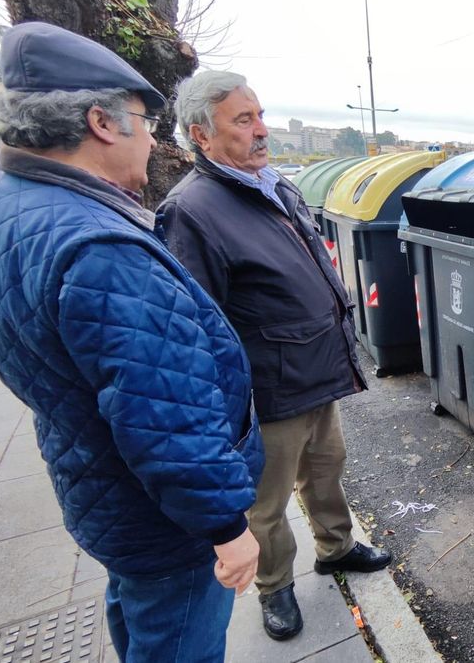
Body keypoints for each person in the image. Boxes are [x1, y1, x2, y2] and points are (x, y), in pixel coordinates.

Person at [0, 23, 261, 662]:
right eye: (143, 119)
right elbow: (165, 414)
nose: (153, 136)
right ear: (101, 122)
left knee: (143, 621)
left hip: (105, 491)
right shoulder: (100, 247)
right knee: (180, 641)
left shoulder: (12, 207)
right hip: (162, 520)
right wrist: (227, 527)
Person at [159, 70, 392, 642]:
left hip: (317, 369)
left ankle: (335, 549)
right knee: (266, 501)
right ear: (201, 136)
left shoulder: (271, 183)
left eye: (260, 115)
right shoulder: (191, 210)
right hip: (269, 385)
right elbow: (200, 323)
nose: (261, 130)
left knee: (325, 470)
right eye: (243, 120)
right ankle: (275, 586)